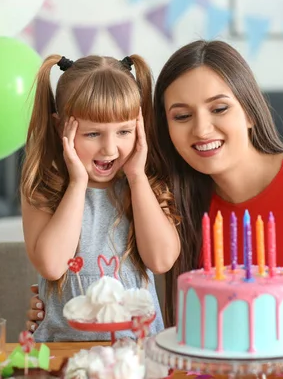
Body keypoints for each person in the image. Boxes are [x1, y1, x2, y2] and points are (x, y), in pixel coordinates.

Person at [26, 41, 283, 346]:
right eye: (181, 116)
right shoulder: (183, 202)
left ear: (250, 111)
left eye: (220, 108)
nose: (202, 130)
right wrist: (62, 304)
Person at [20, 53, 180, 342]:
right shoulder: (44, 185)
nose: (110, 149)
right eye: (93, 134)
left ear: (139, 128)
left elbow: (162, 260)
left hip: (138, 354)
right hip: (62, 355)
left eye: (124, 131)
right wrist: (78, 183)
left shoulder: (144, 185)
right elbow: (53, 265)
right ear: (61, 129)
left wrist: (137, 178)